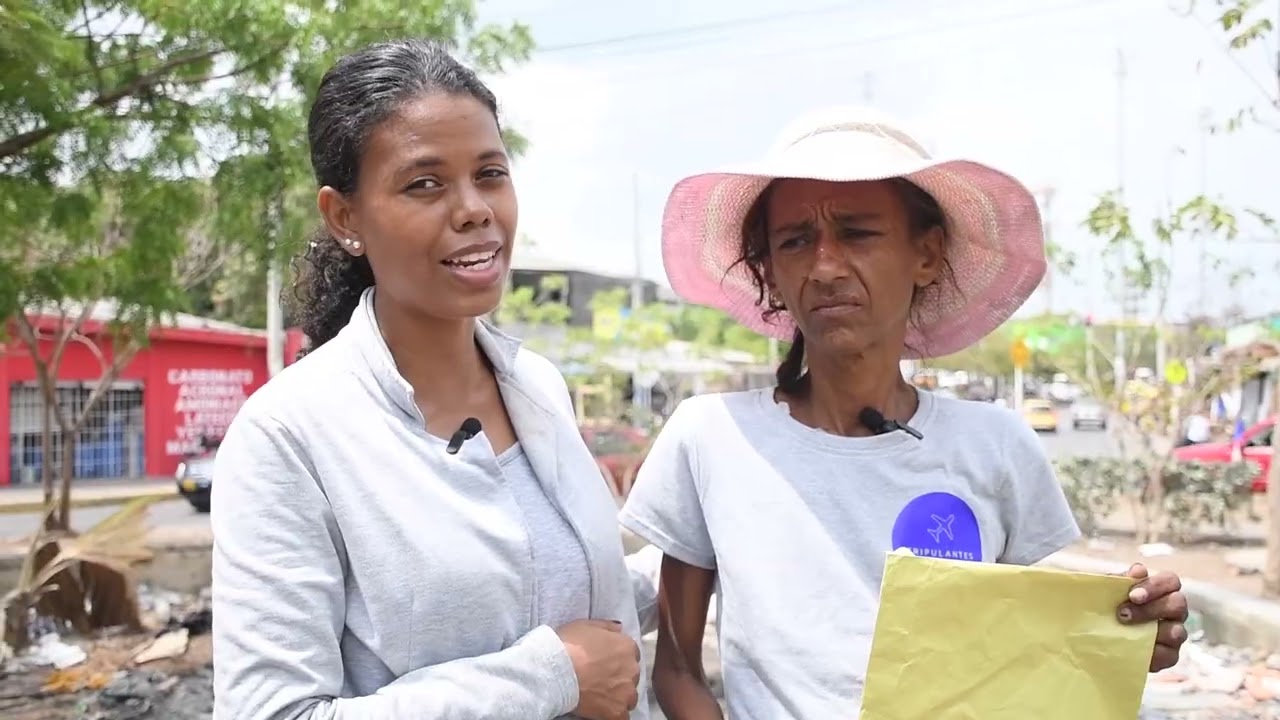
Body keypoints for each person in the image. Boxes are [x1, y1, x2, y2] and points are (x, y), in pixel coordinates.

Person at [620, 107, 1191, 718]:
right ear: (769, 273)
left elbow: (1026, 652)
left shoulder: (995, 446)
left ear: (927, 255)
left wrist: (1129, 629)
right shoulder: (711, 437)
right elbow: (679, 668)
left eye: (857, 233)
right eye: (795, 240)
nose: (826, 265)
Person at [211, 39, 657, 720]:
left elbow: (567, 595)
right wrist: (547, 680)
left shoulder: (535, 384)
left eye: (490, 173)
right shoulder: (289, 435)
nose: (474, 208)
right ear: (345, 217)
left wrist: (696, 550)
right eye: (425, 183)